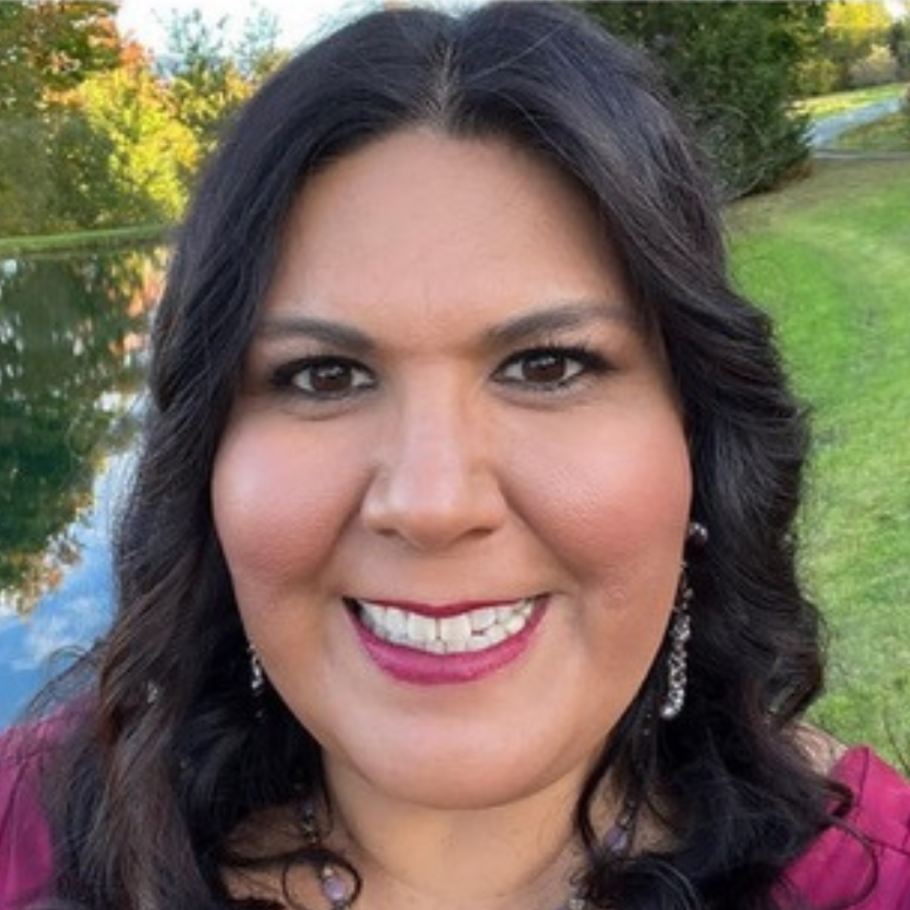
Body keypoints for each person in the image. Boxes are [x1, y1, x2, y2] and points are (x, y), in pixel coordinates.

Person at [1, 3, 908, 909]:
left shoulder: (875, 875)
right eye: (323, 376)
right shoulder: (29, 829)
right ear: (207, 463)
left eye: (547, 366)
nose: (432, 503)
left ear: (701, 440)